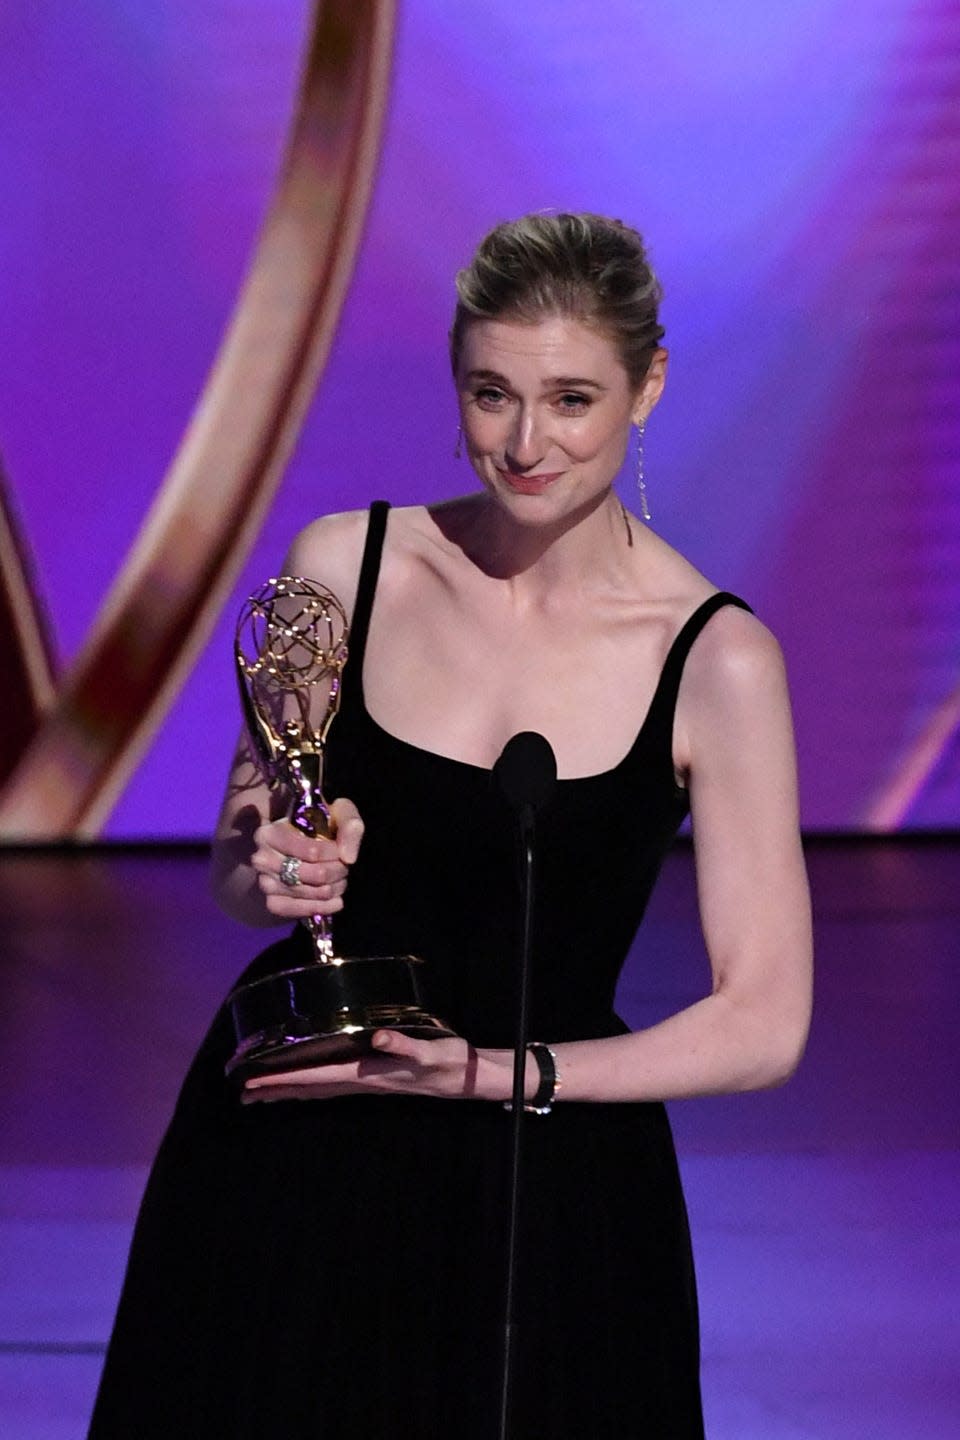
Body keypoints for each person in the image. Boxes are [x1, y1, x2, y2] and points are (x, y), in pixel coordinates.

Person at [89, 212, 812, 1439]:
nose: (527, 444)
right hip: (304, 1137)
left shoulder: (718, 660)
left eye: (572, 400)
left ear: (650, 386)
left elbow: (763, 1023)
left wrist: (486, 1076)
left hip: (547, 1178)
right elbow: (241, 857)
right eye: (492, 395)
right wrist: (271, 871)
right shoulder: (344, 567)